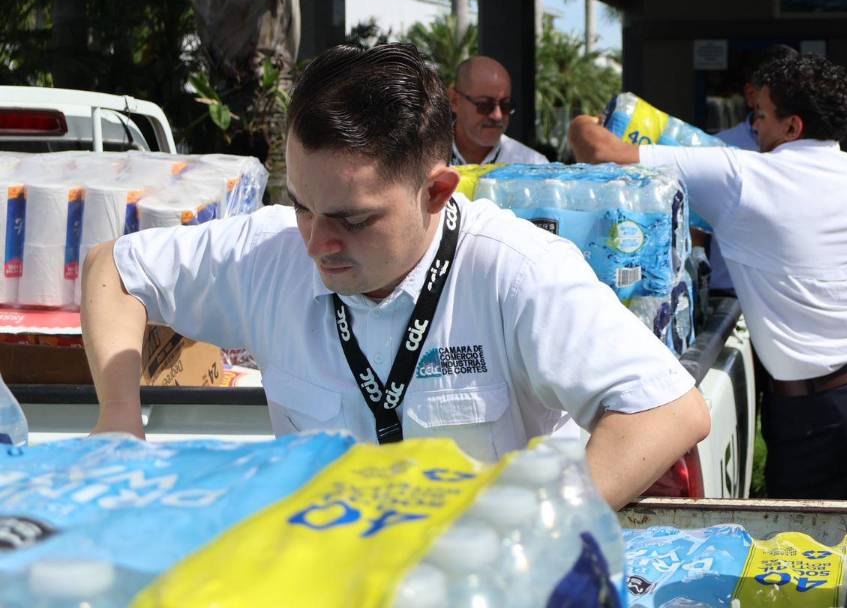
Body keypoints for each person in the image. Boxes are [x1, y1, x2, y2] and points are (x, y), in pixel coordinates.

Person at [80, 43, 709, 509]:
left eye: (353, 220)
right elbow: (113, 268)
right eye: (302, 204)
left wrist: (543, 531)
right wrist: (118, 415)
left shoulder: (514, 271)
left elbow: (670, 410)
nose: (318, 243)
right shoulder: (269, 251)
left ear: (436, 192)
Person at [570, 53, 847, 500]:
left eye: (761, 116)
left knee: (806, 543)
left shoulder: (744, 176)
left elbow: (599, 153)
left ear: (792, 128)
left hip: (817, 409)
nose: (754, 127)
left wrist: (583, 120)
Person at [709, 44, 798, 294]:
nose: (785, 100)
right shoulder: (718, 147)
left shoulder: (812, 147)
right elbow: (697, 220)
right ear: (752, 95)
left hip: (788, 291)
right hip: (729, 289)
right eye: (774, 92)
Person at [449, 55, 548, 165]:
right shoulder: (427, 159)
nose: (497, 116)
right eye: (485, 105)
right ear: (454, 101)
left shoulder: (534, 166)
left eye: (505, 105)